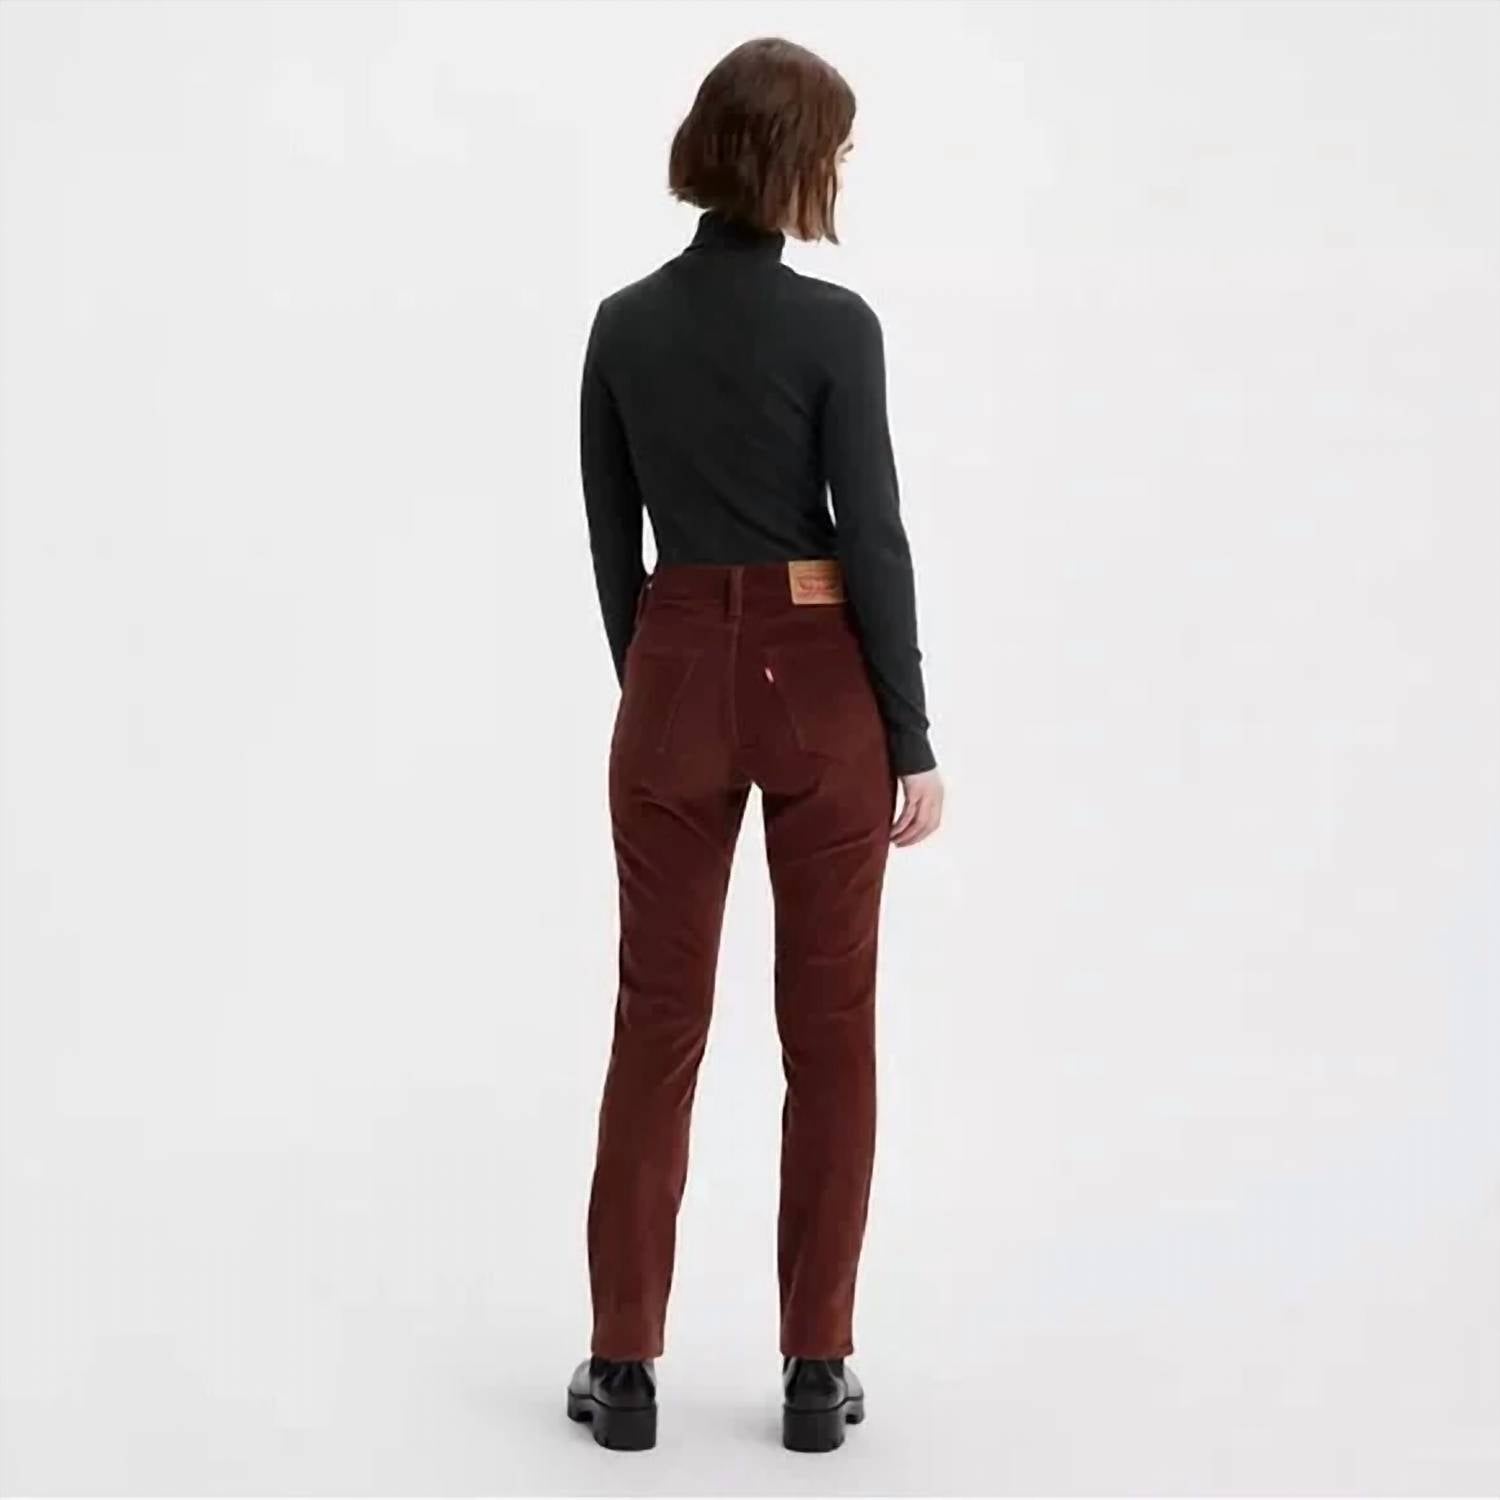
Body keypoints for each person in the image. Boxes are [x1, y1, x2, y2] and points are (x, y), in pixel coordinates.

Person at [566, 36, 945, 1454]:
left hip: (670, 666)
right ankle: (814, 1370)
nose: (840, 171)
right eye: (833, 150)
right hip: (820, 676)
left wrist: (664, 683)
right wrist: (909, 734)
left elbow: (613, 542)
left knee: (656, 1022)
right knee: (830, 1031)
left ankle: (623, 1371)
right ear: (794, 164)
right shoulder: (838, 328)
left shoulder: (620, 325)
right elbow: (874, 536)